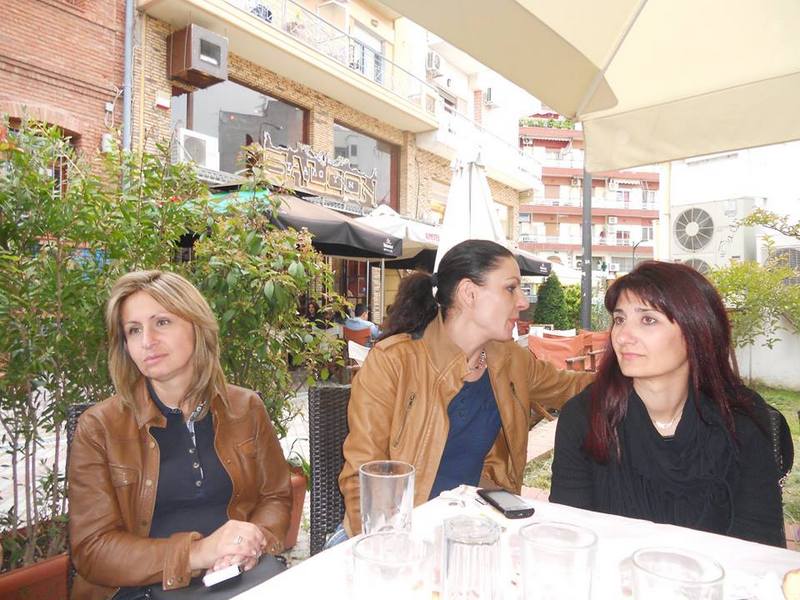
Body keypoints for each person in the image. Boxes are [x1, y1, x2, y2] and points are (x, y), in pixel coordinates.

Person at [336, 240, 593, 539]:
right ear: (469, 293)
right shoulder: (394, 362)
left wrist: (634, 373)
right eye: (510, 288)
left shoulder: (511, 360)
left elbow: (574, 388)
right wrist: (390, 548)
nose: (523, 301)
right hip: (389, 537)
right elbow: (363, 481)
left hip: (470, 530)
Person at [68, 271, 292, 600]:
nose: (147, 341)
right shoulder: (99, 427)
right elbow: (93, 549)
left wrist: (250, 543)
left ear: (196, 326)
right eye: (134, 330)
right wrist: (197, 553)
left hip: (236, 577)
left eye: (161, 322)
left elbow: (275, 497)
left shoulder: (246, 408)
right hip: (139, 590)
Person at [550, 261, 790, 547]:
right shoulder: (585, 418)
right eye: (619, 319)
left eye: (648, 320)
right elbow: (569, 538)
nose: (622, 336)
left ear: (696, 330)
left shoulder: (742, 419)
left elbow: (759, 548)